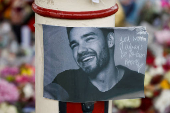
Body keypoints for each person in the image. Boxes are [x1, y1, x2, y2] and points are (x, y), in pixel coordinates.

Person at [44, 27, 144, 102]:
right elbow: (51, 93)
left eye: (89, 39)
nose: (80, 50)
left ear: (110, 40)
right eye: (74, 45)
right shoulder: (67, 79)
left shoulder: (137, 82)